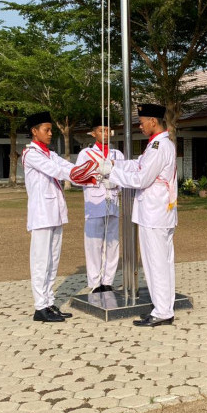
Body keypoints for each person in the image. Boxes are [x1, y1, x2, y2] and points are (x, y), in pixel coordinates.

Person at [98, 103, 178, 327]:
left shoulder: (159, 146)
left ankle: (162, 311)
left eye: (142, 122)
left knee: (156, 263)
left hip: (155, 213)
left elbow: (142, 178)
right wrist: (116, 164)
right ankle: (164, 307)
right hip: (157, 212)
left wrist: (111, 172)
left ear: (153, 121)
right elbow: (138, 165)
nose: (140, 126)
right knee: (161, 262)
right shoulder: (157, 144)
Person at [22, 111, 86, 323]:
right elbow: (56, 171)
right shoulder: (31, 154)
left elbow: (67, 165)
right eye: (46, 130)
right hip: (41, 215)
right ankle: (40, 307)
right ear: (34, 131)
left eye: (51, 130)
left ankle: (49, 303)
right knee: (41, 261)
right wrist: (82, 176)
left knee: (53, 260)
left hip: (55, 214)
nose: (50, 133)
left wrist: (88, 171)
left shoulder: (48, 152)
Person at [76, 116, 124, 293]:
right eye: (101, 130)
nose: (105, 134)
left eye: (107, 130)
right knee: (94, 244)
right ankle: (95, 282)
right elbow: (78, 178)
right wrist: (97, 177)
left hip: (112, 201)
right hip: (95, 202)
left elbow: (123, 174)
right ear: (93, 133)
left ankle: (108, 280)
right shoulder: (85, 154)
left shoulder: (117, 154)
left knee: (112, 243)